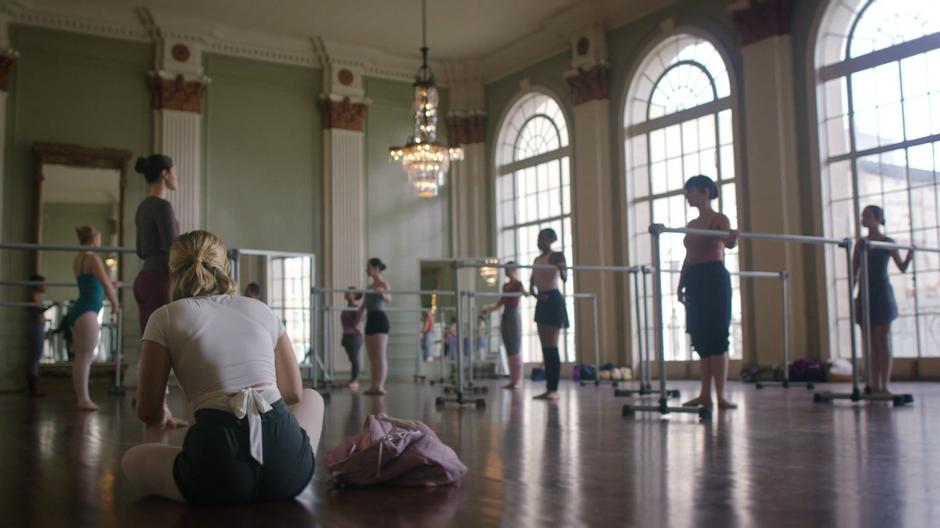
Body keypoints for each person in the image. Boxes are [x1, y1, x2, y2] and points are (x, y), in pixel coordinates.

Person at [121, 230, 324, 505]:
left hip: (216, 467)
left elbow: (147, 411)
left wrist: (161, 414)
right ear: (224, 267)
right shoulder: (261, 309)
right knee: (313, 397)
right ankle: (275, 461)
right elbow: (294, 394)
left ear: (173, 271)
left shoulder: (165, 317)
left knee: (131, 460)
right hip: (289, 472)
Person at [677, 175, 738, 410]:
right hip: (695, 279)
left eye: (689, 191)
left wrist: (732, 238)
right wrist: (680, 284)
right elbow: (688, 258)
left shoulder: (719, 218)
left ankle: (721, 395)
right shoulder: (692, 225)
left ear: (704, 191)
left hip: (714, 278)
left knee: (718, 335)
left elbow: (728, 243)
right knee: (701, 337)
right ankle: (704, 394)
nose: (687, 196)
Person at [854, 205, 913, 395]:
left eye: (868, 215)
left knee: (883, 340)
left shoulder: (888, 242)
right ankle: (872, 384)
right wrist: (853, 295)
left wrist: (910, 254)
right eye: (863, 215)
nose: (864, 218)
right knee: (869, 343)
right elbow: (854, 272)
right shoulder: (860, 244)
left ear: (878, 219)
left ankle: (884, 385)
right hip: (865, 293)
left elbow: (902, 267)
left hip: (882, 293)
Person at [68, 226, 120, 411]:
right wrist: (115, 303)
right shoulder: (92, 257)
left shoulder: (79, 259)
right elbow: (104, 283)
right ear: (93, 239)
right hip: (86, 311)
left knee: (82, 356)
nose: (100, 240)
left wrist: (111, 286)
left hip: (81, 310)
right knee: (85, 356)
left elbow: (94, 283)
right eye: (99, 237)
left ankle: (82, 397)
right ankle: (83, 399)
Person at [134, 154, 178, 334]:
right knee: (163, 341)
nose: (176, 178)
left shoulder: (142, 207)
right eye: (174, 172)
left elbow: (141, 251)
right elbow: (173, 248)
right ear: (164, 174)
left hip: (143, 280)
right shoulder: (163, 206)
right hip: (160, 281)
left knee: (149, 340)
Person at [531, 228, 568, 401]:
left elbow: (565, 277)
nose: (538, 240)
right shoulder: (537, 259)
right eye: (538, 237)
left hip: (553, 300)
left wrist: (562, 269)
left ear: (550, 239)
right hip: (542, 301)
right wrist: (538, 295)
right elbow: (532, 286)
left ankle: (554, 388)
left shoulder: (556, 256)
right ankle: (549, 388)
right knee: (545, 348)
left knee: (552, 347)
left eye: (541, 238)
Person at [482, 262, 526, 389]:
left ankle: (517, 379)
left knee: (515, 347)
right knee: (508, 347)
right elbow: (500, 303)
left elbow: (524, 293)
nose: (505, 272)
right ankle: (513, 379)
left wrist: (529, 293)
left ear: (512, 270)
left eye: (507, 270)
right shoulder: (505, 286)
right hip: (506, 315)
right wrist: (488, 309)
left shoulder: (518, 284)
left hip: (513, 316)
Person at [360, 258, 391, 395]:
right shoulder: (368, 287)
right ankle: (373, 385)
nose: (367, 269)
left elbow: (389, 299)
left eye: (368, 267)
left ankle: (381, 385)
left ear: (376, 268)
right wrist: (358, 318)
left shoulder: (384, 284)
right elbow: (364, 305)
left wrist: (382, 293)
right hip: (370, 320)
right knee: (372, 357)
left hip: (380, 319)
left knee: (380, 355)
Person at [25, 274, 54, 397]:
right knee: (35, 357)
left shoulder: (36, 297)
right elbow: (36, 312)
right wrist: (51, 306)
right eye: (43, 284)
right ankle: (33, 389)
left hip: (39, 327)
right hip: (35, 327)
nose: (45, 286)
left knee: (36, 356)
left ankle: (34, 388)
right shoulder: (32, 297)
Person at [341, 287, 364, 389]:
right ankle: (353, 379)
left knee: (355, 358)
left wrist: (356, 327)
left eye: (349, 292)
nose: (346, 293)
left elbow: (360, 318)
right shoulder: (347, 308)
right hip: (347, 335)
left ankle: (355, 380)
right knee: (352, 358)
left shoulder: (356, 308)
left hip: (354, 336)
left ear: (355, 295)